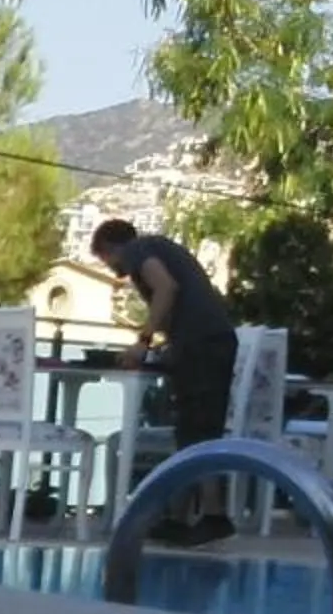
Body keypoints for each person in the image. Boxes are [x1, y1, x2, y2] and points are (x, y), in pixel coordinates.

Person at [89, 217, 239, 547]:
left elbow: (166, 287)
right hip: (203, 341)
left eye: (104, 259)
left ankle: (214, 516)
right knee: (190, 429)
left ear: (111, 248)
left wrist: (143, 341)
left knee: (200, 431)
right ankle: (179, 518)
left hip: (204, 343)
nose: (112, 267)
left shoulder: (139, 250)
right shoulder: (158, 247)